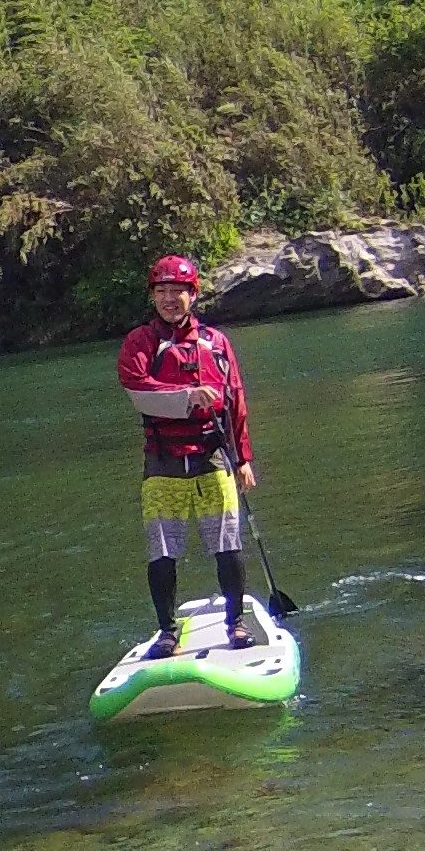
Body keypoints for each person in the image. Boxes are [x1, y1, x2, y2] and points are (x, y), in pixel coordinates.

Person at [117, 254, 267, 649]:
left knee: (227, 544)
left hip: (212, 456)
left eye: (178, 291)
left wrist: (244, 458)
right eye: (162, 291)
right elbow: (137, 390)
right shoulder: (140, 342)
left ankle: (236, 624)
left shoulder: (216, 343)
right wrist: (187, 396)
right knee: (162, 551)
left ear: (193, 295)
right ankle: (167, 631)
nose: (170, 299)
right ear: (153, 297)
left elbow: (236, 401)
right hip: (163, 460)